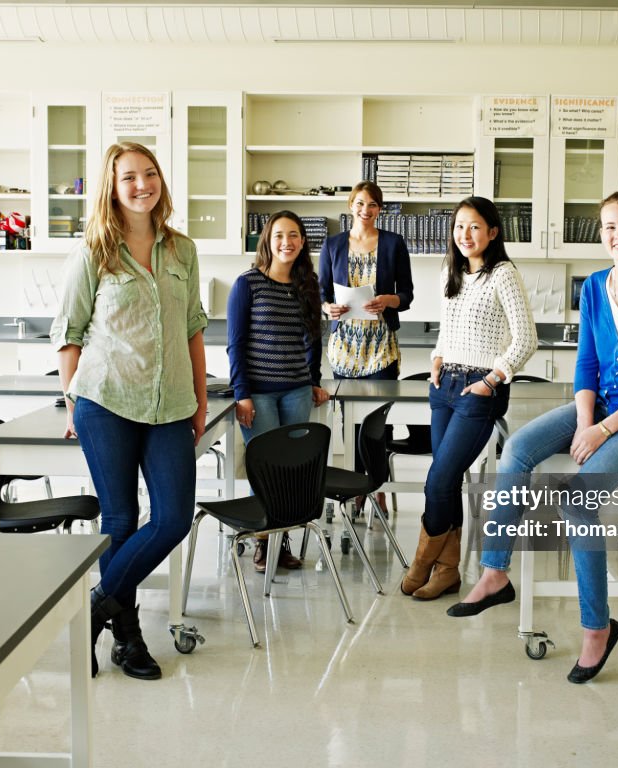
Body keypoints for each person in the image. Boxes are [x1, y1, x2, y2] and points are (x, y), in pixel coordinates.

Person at [449, 190, 618, 686]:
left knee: (578, 499)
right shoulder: (596, 288)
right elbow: (587, 364)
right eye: (608, 227)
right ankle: (495, 571)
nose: (617, 235)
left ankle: (597, 627)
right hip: (597, 405)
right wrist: (585, 420)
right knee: (517, 448)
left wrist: (602, 429)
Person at [51, 141, 208, 682]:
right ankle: (129, 639)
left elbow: (192, 327)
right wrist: (72, 398)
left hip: (170, 405)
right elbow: (68, 334)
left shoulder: (183, 251)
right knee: (119, 521)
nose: (142, 185)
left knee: (171, 519)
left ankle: (96, 607)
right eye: (129, 178)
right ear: (111, 189)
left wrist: (200, 401)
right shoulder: (93, 250)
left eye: (149, 175)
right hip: (106, 399)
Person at [401, 196, 537, 601]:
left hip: (479, 391)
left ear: (492, 232)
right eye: (460, 226)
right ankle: (448, 572)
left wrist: (493, 379)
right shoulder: (452, 271)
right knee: (446, 480)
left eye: (475, 226)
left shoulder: (503, 275)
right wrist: (437, 358)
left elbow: (527, 338)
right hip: (444, 387)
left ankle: (423, 562)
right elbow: (448, 326)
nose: (465, 234)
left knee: (437, 479)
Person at [228, 210, 331, 572]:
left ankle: (281, 542)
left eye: (294, 235)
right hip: (258, 393)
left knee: (291, 469)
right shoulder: (248, 284)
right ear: (267, 242)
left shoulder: (308, 285)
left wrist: (314, 380)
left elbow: (313, 340)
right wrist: (242, 393)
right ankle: (264, 544)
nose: (286, 242)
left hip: (297, 391)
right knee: (265, 469)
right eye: (279, 236)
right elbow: (236, 344)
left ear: (303, 242)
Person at [319, 181, 413, 514]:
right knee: (349, 422)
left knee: (377, 423)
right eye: (360, 203)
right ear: (350, 206)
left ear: (379, 209)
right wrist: (326, 307)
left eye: (372, 204)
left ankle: (378, 487)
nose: (365, 210)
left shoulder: (393, 244)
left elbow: (408, 295)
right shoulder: (332, 245)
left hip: (381, 346)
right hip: (345, 345)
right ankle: (360, 486)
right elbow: (320, 293)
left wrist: (390, 300)